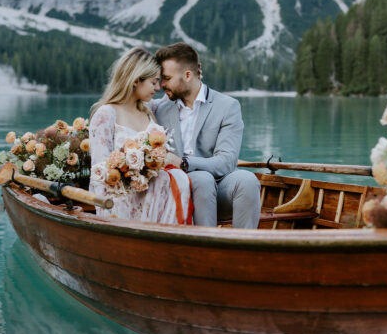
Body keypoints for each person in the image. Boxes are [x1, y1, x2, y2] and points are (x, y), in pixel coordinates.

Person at [152, 43, 260, 229]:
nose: (161, 85)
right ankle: (206, 251)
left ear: (188, 75)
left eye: (167, 79)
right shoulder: (159, 109)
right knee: (202, 179)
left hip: (219, 187)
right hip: (175, 187)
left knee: (247, 180)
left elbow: (226, 162)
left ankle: (244, 251)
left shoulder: (227, 106)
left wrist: (183, 162)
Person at [88, 47, 191, 224]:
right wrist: (105, 216)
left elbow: (177, 96)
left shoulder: (148, 110)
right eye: (153, 82)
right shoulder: (107, 114)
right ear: (136, 81)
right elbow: (99, 172)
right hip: (122, 203)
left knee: (180, 179)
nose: (158, 88)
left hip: (156, 197)